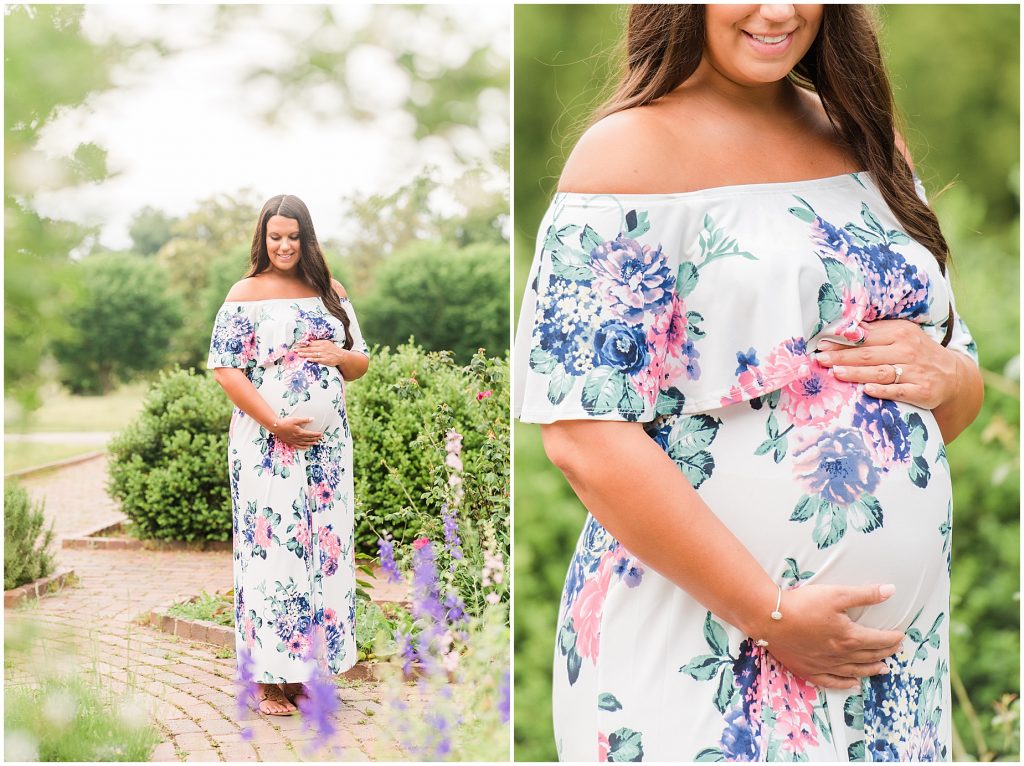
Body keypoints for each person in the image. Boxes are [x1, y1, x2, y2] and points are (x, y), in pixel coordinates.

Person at [513, 4, 982, 761]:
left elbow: (947, 406)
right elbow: (582, 435)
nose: (779, 10)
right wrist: (770, 615)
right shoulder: (627, 153)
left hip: (891, 672)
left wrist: (950, 371)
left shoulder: (863, 136)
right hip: (710, 643)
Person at [208, 194, 370, 715]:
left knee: (323, 551)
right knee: (272, 551)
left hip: (327, 451)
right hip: (266, 445)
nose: (284, 245)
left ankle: (305, 674)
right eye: (275, 236)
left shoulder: (329, 292)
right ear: (263, 238)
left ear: (307, 239)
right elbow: (226, 368)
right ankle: (265, 680)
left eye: (293, 237)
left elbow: (360, 362)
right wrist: (274, 422)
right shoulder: (244, 293)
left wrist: (341, 355)